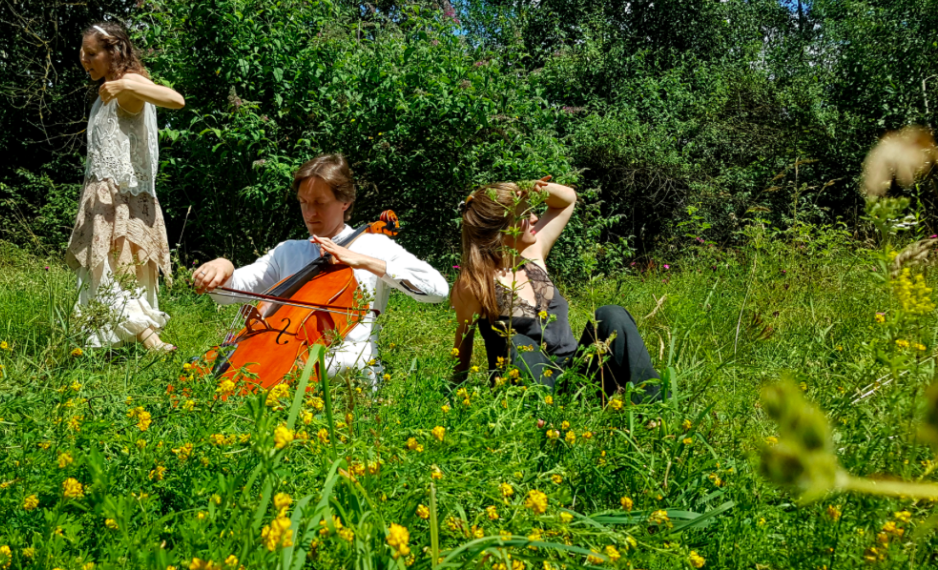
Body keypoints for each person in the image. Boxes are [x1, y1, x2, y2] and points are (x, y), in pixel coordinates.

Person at [193, 154, 449, 384]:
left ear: (345, 202)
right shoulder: (288, 251)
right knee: (202, 368)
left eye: (320, 203)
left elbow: (437, 290)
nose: (310, 213)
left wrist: (363, 261)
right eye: (303, 202)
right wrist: (223, 268)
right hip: (286, 351)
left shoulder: (374, 246)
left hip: (348, 364)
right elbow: (235, 290)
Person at [451, 180, 663, 402]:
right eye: (524, 215)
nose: (534, 218)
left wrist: (531, 187)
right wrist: (456, 394)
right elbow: (462, 344)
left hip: (576, 374)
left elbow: (567, 200)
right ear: (503, 228)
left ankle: (652, 407)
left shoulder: (533, 252)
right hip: (527, 387)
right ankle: (544, 419)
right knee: (519, 344)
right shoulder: (475, 283)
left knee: (612, 314)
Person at [66, 21, 185, 351]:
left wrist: (124, 87)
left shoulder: (128, 84)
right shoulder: (109, 89)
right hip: (106, 198)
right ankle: (119, 344)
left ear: (113, 52)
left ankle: (150, 340)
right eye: (83, 52)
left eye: (92, 53)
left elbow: (175, 100)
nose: (84, 59)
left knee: (115, 272)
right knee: (110, 273)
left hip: (121, 198)